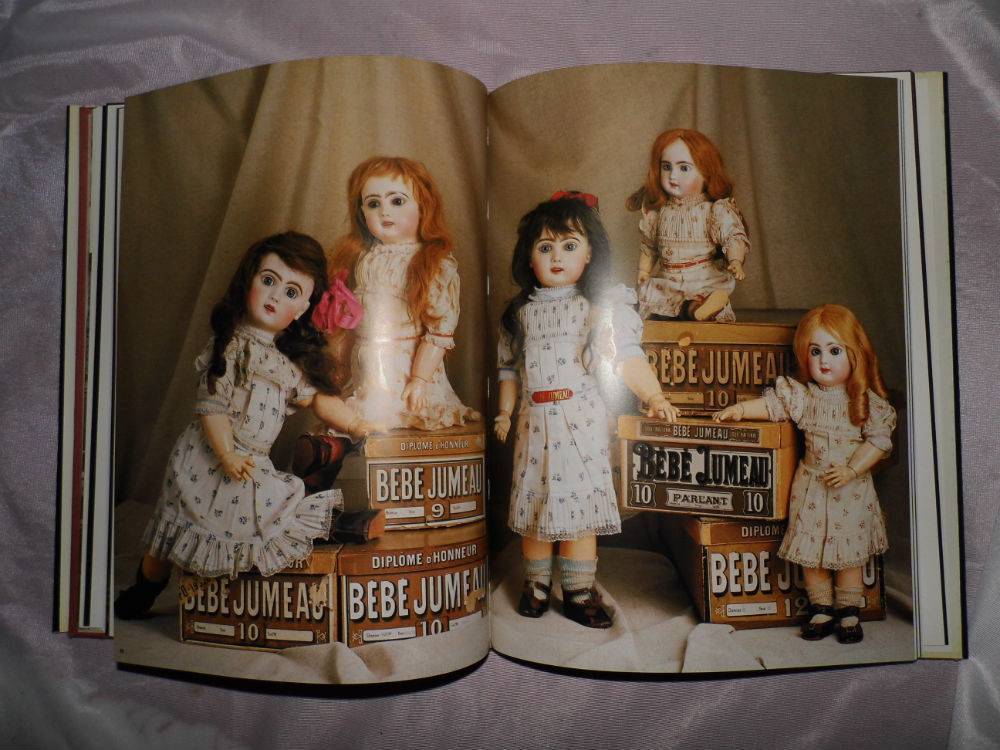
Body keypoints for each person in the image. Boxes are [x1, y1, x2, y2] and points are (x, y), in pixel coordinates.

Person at [114, 231, 384, 620]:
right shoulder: (230, 347)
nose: (275, 296)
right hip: (206, 460)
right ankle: (144, 590)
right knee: (171, 539)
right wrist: (226, 453)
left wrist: (356, 423)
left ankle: (341, 532)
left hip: (251, 465)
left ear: (304, 307)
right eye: (268, 280)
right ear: (249, 279)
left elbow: (318, 401)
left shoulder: (286, 361)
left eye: (291, 292)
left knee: (275, 513)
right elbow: (212, 406)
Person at [495, 191, 679, 628]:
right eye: (545, 247)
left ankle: (578, 591)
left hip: (580, 423)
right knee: (536, 510)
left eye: (569, 245)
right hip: (534, 427)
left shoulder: (599, 307)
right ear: (529, 257)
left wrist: (654, 395)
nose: (557, 257)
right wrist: (504, 413)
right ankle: (536, 586)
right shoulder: (519, 314)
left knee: (578, 515)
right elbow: (509, 371)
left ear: (590, 252)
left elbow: (625, 357)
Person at [714, 304, 896, 643]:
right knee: (811, 553)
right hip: (811, 487)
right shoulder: (803, 396)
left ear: (854, 353)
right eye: (815, 351)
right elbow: (773, 406)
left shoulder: (864, 401)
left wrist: (852, 469)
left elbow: (879, 441)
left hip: (850, 490)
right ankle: (821, 608)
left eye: (834, 350)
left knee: (849, 555)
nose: (824, 361)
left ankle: (849, 612)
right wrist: (740, 409)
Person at [294, 157, 480, 488]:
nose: (384, 212)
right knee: (356, 422)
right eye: (373, 204)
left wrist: (419, 379)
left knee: (393, 423)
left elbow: (439, 331)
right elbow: (354, 319)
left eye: (397, 201)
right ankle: (333, 469)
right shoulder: (366, 258)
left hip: (404, 366)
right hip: (366, 364)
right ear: (361, 213)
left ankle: (367, 472)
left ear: (423, 206)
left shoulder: (432, 263)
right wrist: (337, 359)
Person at [626, 128, 749, 321]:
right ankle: (678, 316)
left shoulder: (713, 211)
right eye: (666, 167)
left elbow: (733, 235)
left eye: (684, 168)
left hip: (701, 279)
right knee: (654, 302)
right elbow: (649, 246)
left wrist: (735, 261)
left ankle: (703, 308)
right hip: (669, 281)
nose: (672, 176)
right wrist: (644, 271)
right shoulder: (659, 213)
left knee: (695, 303)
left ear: (706, 173)